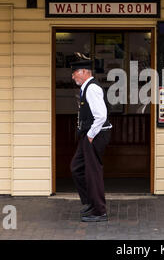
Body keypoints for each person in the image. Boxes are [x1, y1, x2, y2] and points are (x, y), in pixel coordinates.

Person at [70, 59, 112, 222]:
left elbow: (101, 116)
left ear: (84, 72)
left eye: (74, 74)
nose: (73, 77)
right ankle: (90, 202)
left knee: (92, 173)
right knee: (76, 167)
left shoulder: (92, 88)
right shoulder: (85, 88)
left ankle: (99, 211)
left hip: (95, 135)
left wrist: (90, 136)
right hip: (89, 134)